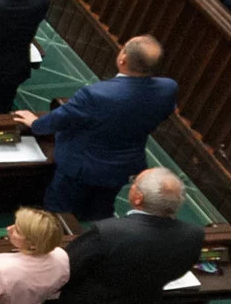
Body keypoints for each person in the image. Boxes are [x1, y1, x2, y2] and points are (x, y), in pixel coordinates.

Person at [37, 171, 207, 304]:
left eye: (134, 182)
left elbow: (69, 267)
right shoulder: (193, 235)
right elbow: (180, 269)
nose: (132, 184)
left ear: (137, 198)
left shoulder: (109, 232)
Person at [18, 37, 177, 221]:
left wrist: (36, 124)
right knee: (100, 210)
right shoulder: (168, 88)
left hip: (81, 166)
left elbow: (61, 118)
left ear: (122, 59)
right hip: (123, 165)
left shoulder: (96, 94)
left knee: (57, 212)